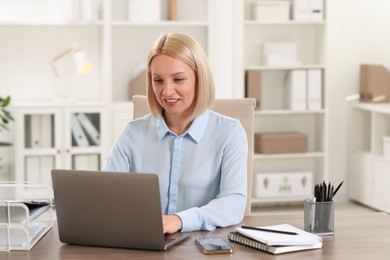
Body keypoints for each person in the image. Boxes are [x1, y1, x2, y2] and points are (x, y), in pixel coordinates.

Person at [105, 33, 248, 234]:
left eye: (178, 79)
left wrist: (180, 220)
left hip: (201, 246)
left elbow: (233, 203)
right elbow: (108, 196)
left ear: (200, 79)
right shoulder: (132, 133)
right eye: (158, 80)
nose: (167, 91)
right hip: (141, 243)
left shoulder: (230, 133)